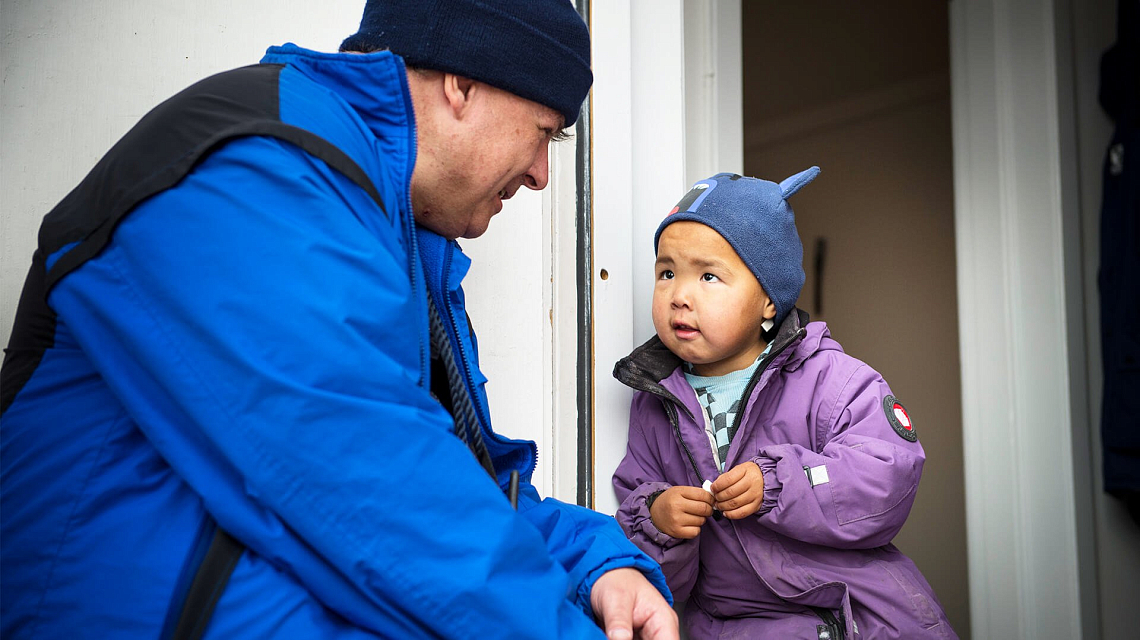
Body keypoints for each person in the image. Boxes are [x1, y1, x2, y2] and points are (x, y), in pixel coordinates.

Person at [0, 1, 677, 638]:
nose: (540, 174)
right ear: (463, 86)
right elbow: (374, 480)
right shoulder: (256, 162)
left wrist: (595, 562)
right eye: (542, 133)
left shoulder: (390, 229)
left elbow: (451, 477)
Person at [611, 169, 956, 639]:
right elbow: (656, 574)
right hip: (729, 627)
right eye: (667, 273)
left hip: (853, 618)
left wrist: (779, 482)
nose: (680, 296)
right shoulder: (656, 403)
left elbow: (887, 476)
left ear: (768, 303)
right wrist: (657, 520)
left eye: (709, 276)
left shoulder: (832, 381)